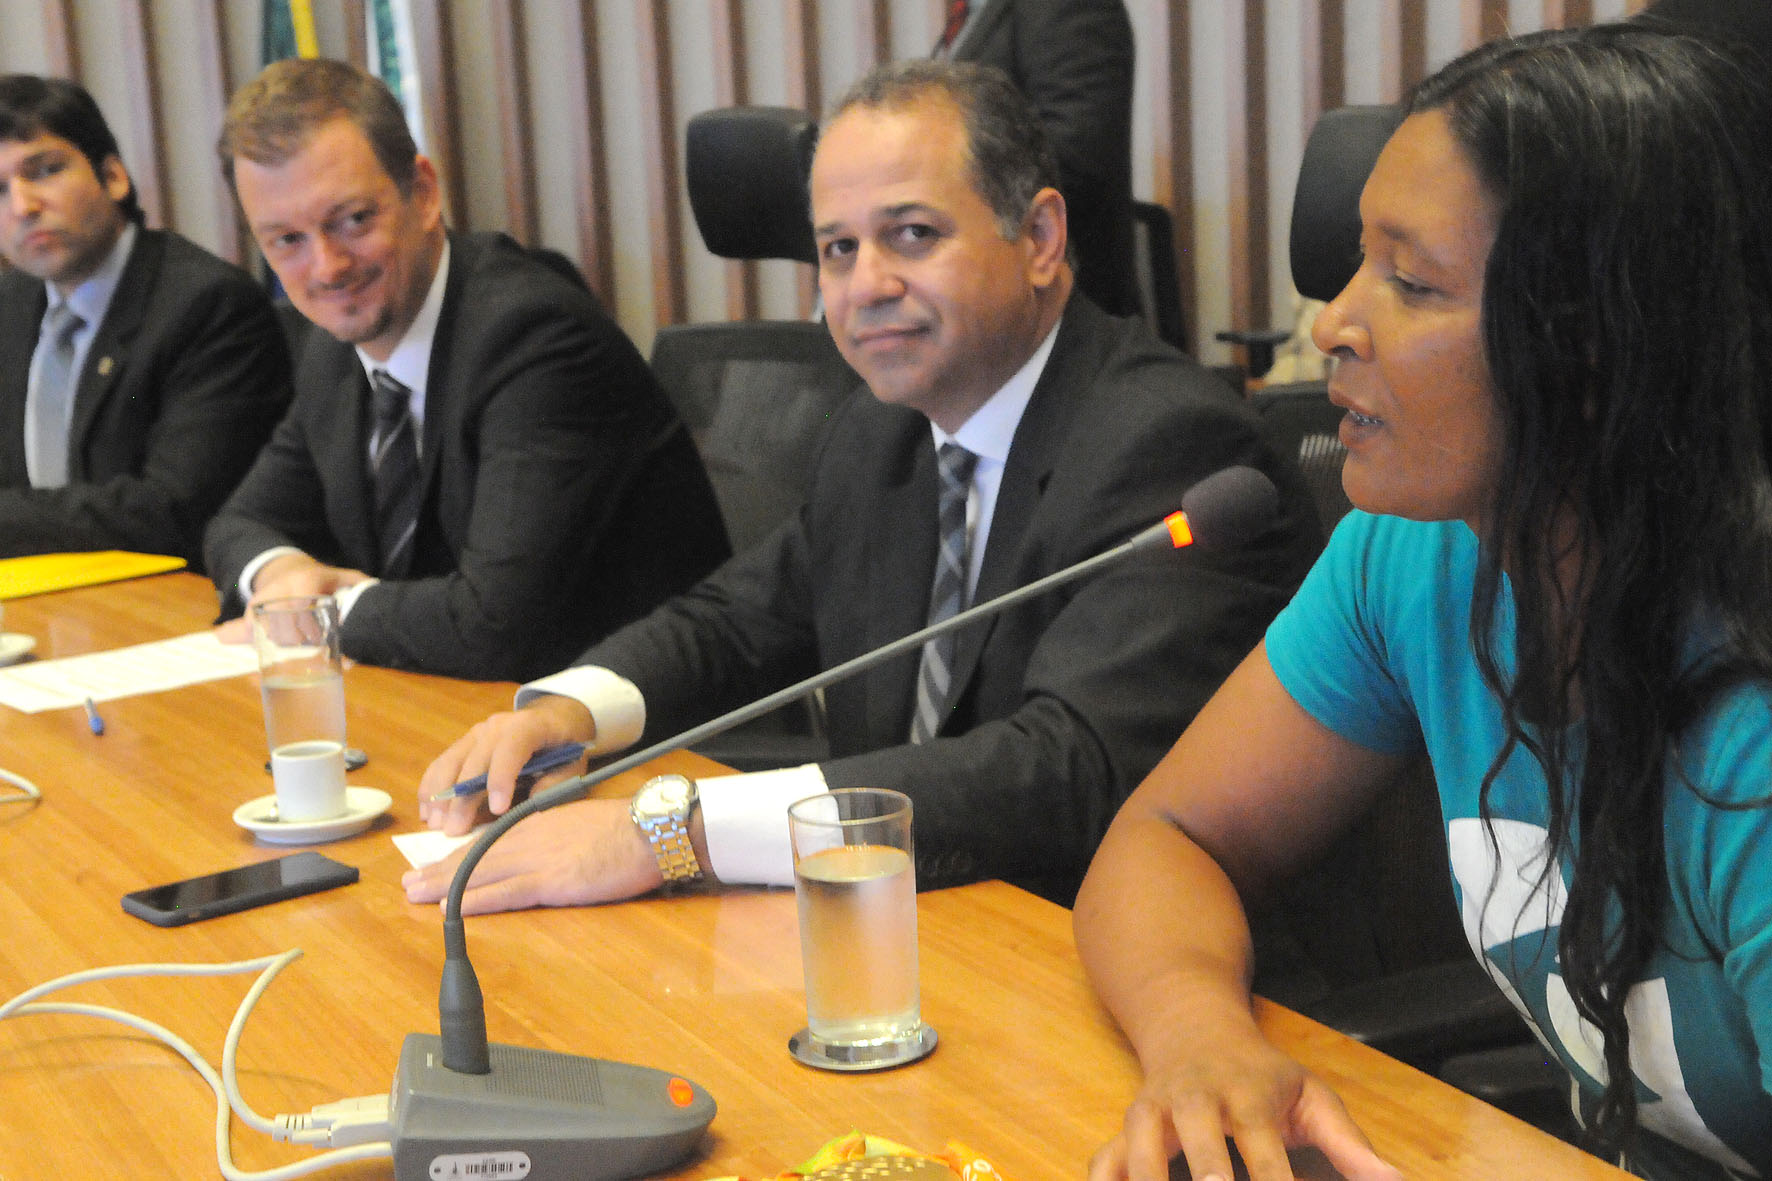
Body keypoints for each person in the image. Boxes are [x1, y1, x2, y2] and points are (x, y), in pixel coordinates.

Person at [1074, 24, 1772, 1181]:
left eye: (1410, 281)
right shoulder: (1413, 555)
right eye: (1358, 262)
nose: (1331, 323)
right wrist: (1198, 1038)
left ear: (1596, 344)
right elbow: (1169, 836)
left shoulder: (1748, 727)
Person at [402, 59, 1318, 915]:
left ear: (1040, 238)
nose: (865, 284)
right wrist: (570, 709)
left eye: (912, 235)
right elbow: (737, 621)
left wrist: (675, 834)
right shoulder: (880, 432)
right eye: (838, 248)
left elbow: (1065, 769)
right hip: (905, 928)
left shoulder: (1171, 444)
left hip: (1098, 947)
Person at [204, 58, 728, 682]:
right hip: (458, 702)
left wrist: (320, 611)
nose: (327, 267)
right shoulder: (337, 346)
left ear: (424, 193)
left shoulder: (535, 338)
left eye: (353, 220)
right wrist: (282, 572)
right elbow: (239, 523)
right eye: (286, 240)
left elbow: (493, 625)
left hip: (640, 717)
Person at [0, 75, 290, 565]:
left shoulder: (208, 304)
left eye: (45, 171)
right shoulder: (9, 306)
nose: (23, 207)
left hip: (176, 594)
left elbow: (172, 510)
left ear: (113, 176)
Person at [938, 0, 1140, 319]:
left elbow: (1076, 161)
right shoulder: (975, 10)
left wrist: (943, 200)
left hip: (1052, 308)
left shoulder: (1067, 6)